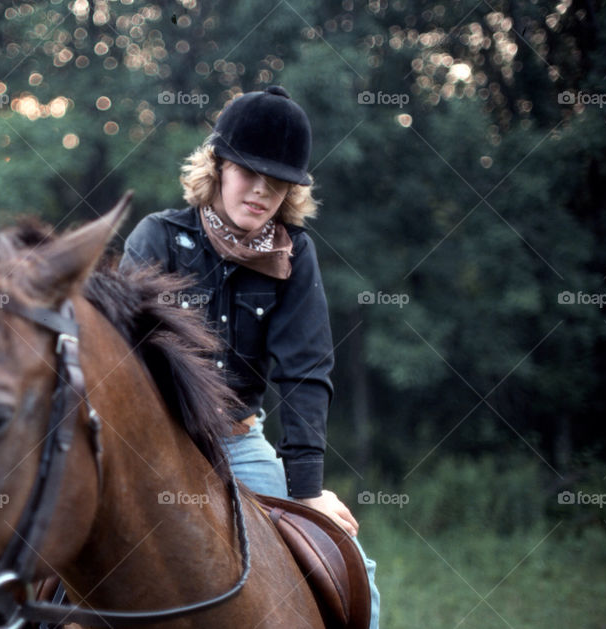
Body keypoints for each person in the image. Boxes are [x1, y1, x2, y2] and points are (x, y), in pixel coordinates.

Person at [119, 85, 379, 627]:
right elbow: (126, 361)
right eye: (248, 173)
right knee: (54, 549)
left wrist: (307, 493)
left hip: (239, 443)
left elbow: (305, 371)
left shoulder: (295, 253)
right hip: (152, 444)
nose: (262, 191)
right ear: (217, 166)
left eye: (278, 181)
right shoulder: (156, 238)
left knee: (353, 566)